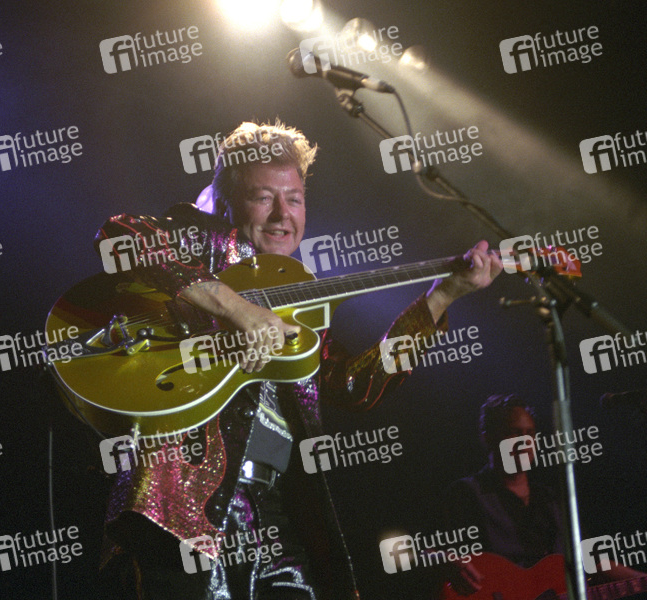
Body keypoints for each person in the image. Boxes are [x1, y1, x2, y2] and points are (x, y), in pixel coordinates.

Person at [94, 121, 503, 600]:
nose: (282, 215)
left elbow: (352, 386)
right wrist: (236, 309)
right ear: (226, 203)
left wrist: (442, 297)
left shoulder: (299, 298)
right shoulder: (202, 242)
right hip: (183, 507)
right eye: (262, 197)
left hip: (275, 515)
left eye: (294, 199)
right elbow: (120, 233)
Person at [443, 393, 647, 597]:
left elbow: (593, 562)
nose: (524, 442)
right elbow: (430, 552)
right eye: (514, 433)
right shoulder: (467, 493)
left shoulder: (551, 500)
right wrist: (448, 562)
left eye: (530, 433)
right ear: (487, 438)